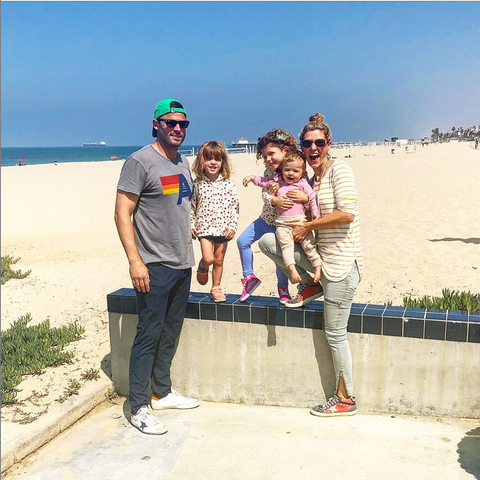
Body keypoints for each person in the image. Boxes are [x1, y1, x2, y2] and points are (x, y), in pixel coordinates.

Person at [259, 113, 363, 417]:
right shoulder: (308, 179)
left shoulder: (339, 170)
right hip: (321, 259)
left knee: (335, 334)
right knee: (268, 242)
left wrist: (309, 226)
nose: (313, 147)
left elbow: (347, 213)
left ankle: (346, 399)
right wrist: (273, 200)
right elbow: (276, 214)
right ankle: (311, 283)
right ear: (301, 147)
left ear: (328, 144)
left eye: (319, 142)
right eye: (307, 143)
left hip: (342, 266)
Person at [114, 98, 200, 435]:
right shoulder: (139, 162)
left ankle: (160, 391)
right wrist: (135, 261)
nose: (177, 128)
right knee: (148, 334)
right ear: (156, 125)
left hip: (182, 262)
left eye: (183, 124)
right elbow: (123, 213)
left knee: (170, 330)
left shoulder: (182, 162)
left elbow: (177, 205)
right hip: (153, 264)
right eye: (170, 123)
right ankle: (138, 406)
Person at [236, 129, 300, 303]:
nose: (268, 159)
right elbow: (265, 192)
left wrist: (301, 198)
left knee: (278, 257)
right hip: (266, 219)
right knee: (242, 241)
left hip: (283, 223)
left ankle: (283, 289)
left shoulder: (295, 168)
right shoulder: (269, 171)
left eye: (271, 154)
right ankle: (249, 278)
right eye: (264, 156)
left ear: (285, 150)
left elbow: (304, 190)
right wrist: (273, 199)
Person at [243, 150, 322, 284]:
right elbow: (264, 182)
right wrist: (252, 178)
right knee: (286, 247)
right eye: (287, 170)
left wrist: (314, 212)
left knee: (309, 246)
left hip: (300, 221)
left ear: (302, 173)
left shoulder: (303, 184)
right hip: (283, 224)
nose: (290, 173)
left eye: (295, 171)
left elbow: (312, 198)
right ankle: (293, 270)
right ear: (282, 171)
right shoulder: (278, 181)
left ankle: (318, 268)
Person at [191, 141, 239, 303]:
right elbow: (192, 206)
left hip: (223, 228)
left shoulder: (228, 184)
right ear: (201, 161)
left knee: (219, 260)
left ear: (222, 162)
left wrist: (232, 226)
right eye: (208, 159)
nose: (213, 163)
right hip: (204, 228)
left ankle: (216, 286)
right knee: (209, 258)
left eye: (217, 159)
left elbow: (235, 207)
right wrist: (191, 224)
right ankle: (203, 266)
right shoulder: (197, 183)